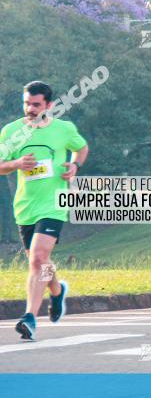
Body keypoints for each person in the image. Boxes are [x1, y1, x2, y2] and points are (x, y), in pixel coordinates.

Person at [0, 81, 88, 339]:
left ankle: (29, 318)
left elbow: (81, 148)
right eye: (26, 103)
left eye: (36, 104)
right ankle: (57, 290)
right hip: (26, 207)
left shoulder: (63, 129)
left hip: (54, 203)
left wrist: (75, 167)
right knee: (40, 261)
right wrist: (16, 163)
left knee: (38, 258)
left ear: (49, 106)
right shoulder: (11, 131)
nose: (30, 108)